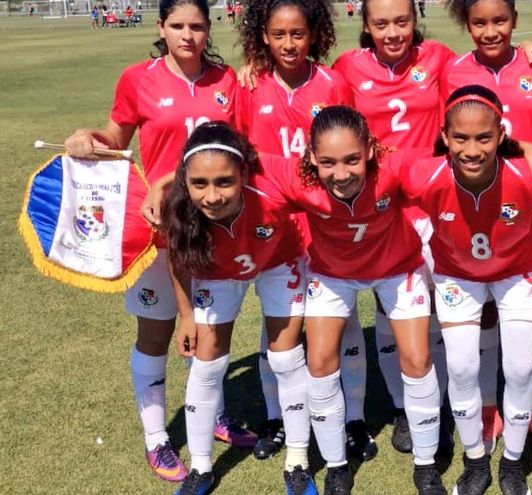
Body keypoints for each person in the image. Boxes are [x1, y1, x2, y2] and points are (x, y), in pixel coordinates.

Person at [332, 0, 532, 455]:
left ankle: (512, 404)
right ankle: (411, 407)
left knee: (491, 311)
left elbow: (496, 76)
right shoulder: (350, 68)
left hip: (468, 200)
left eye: (402, 21)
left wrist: (527, 45)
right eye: (381, 23)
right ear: (366, 25)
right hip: (392, 204)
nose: (393, 32)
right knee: (405, 313)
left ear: (415, 21)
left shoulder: (439, 59)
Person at [63, 0, 253, 484]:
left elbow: (239, 147)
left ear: (209, 29)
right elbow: (114, 135)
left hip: (217, 226)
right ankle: (156, 437)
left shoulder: (227, 81)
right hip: (160, 230)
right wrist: (87, 136)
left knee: (211, 329)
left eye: (197, 26)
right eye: (178, 25)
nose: (188, 35)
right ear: (161, 27)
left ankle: (214, 413)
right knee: (156, 332)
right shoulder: (137, 79)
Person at [254, 105, 445, 495]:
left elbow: (458, 156)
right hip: (332, 275)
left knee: (417, 359)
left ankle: (426, 467)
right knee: (320, 362)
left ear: (370, 150)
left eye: (352, 160)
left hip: (398, 268)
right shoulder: (297, 178)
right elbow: (233, 154)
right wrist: (163, 183)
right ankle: (337, 466)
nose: (341, 174)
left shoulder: (394, 166)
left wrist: (527, 150)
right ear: (311, 157)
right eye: (328, 162)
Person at [235, 0, 379, 464]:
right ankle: (276, 418)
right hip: (271, 225)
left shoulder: (332, 83)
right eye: (278, 34)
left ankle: (354, 418)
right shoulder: (249, 85)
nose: (288, 44)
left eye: (297, 33)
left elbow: (351, 149)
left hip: (324, 222)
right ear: (263, 37)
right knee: (278, 325)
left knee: (343, 320)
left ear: (313, 34)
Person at [400, 85, 532, 495]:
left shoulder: (528, 175)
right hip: (457, 275)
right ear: (445, 137)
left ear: (501, 134)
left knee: (520, 370)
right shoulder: (424, 174)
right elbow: (368, 172)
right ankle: (475, 461)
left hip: (518, 273)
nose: (472, 150)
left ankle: (513, 462)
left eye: (484, 137)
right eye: (461, 138)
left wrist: (530, 150)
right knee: (462, 369)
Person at [158, 123, 314, 495]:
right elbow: (178, 259)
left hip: (279, 261)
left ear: (243, 173)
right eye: (199, 184)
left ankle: (297, 461)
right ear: (185, 179)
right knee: (206, 365)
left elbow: (325, 185)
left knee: (285, 359)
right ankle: (201, 467)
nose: (212, 196)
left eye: (225, 182)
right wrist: (186, 315)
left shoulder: (274, 180)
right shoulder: (177, 203)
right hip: (218, 273)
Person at [443, 0, 532, 455]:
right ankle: (490, 406)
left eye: (500, 21)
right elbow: (447, 141)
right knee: (488, 313)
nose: (491, 31)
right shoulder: (453, 72)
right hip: (476, 210)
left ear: (515, 20)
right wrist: (519, 145)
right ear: (466, 24)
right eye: (480, 22)